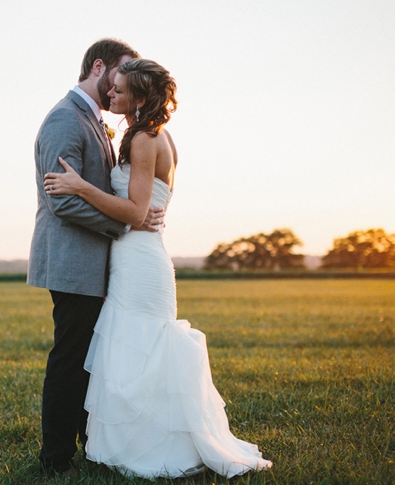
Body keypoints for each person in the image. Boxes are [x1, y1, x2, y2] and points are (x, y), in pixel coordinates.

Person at [43, 58, 273, 479]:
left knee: (141, 348)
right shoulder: (151, 135)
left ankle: (157, 446)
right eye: (110, 88)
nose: (110, 94)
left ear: (140, 97)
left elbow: (135, 211)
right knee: (133, 350)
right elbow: (142, 208)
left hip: (140, 259)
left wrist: (80, 186)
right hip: (135, 255)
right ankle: (136, 441)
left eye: (119, 90)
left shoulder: (146, 139)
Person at [27, 38, 165, 476]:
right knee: (70, 359)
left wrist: (129, 214)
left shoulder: (96, 122)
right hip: (71, 261)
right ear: (99, 66)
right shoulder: (65, 119)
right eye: (121, 74)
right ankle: (55, 459)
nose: (120, 87)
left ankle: (94, 445)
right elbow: (61, 200)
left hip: (97, 263)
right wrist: (126, 223)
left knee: (90, 359)